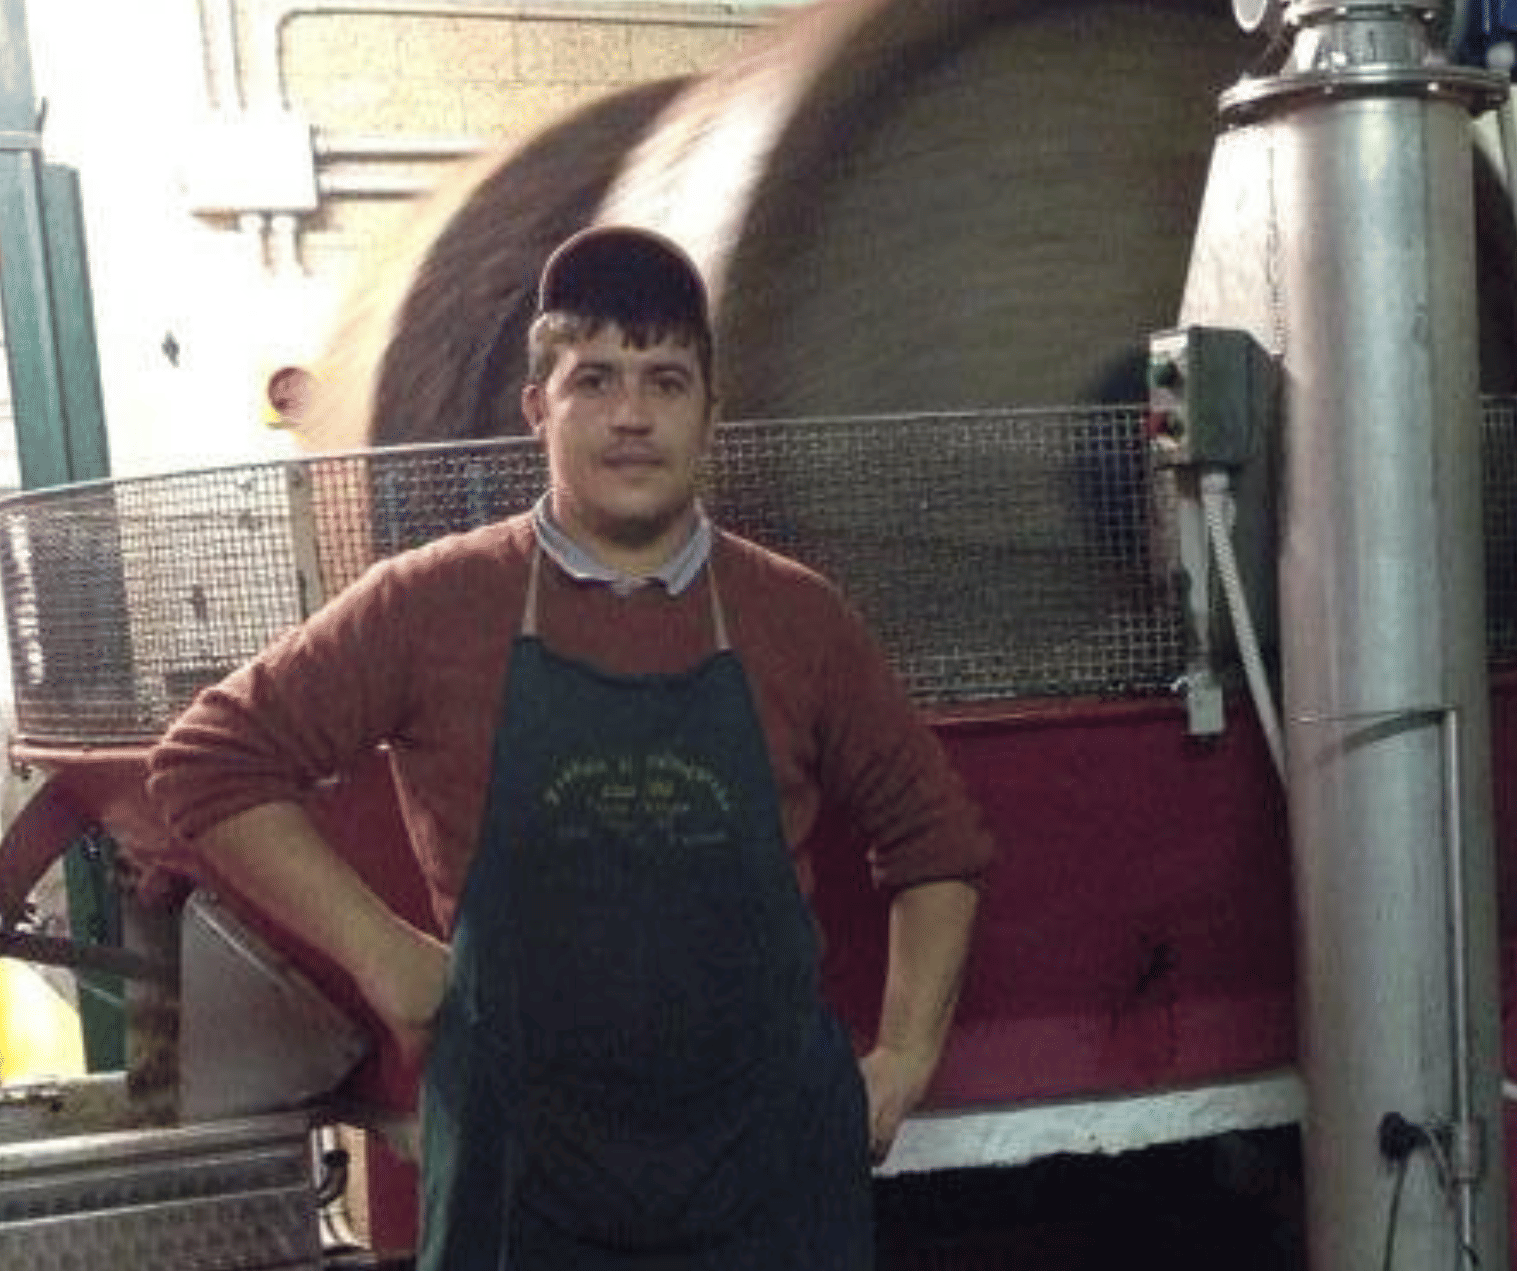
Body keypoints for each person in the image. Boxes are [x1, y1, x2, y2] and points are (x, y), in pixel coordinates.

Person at [149, 223, 993, 1270]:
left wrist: (905, 1055)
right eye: (593, 379)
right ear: (536, 407)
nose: (632, 415)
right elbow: (209, 762)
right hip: (521, 1178)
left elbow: (937, 842)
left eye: (666, 381)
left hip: (768, 1176)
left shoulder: (797, 616)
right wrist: (381, 955)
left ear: (711, 414)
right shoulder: (431, 605)